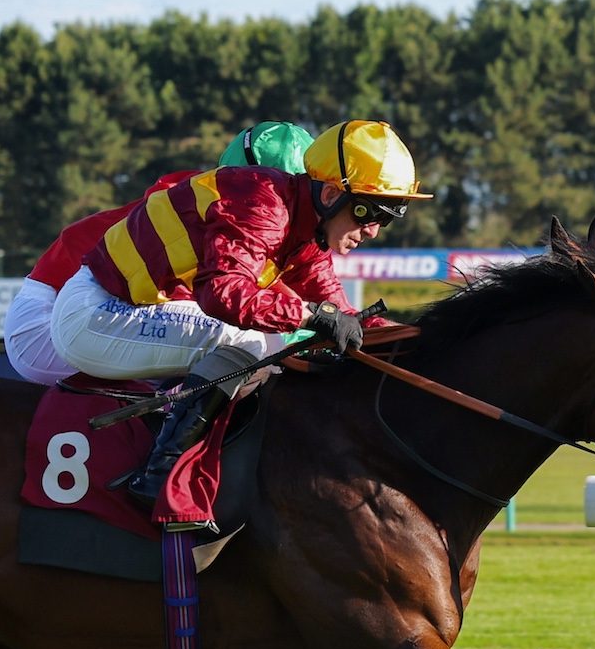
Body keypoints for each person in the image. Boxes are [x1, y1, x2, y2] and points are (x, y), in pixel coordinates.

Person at [49, 119, 430, 525]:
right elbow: (222, 294)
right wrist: (309, 315)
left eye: (386, 219)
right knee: (254, 342)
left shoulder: (304, 229)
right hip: (95, 314)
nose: (372, 230)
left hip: (134, 308)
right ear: (333, 193)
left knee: (273, 341)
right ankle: (159, 473)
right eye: (367, 212)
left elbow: (342, 314)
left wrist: (421, 341)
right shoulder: (263, 202)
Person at [1, 122, 316, 384]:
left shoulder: (220, 195)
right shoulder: (224, 207)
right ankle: (174, 451)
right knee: (257, 345)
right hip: (50, 318)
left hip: (83, 303)